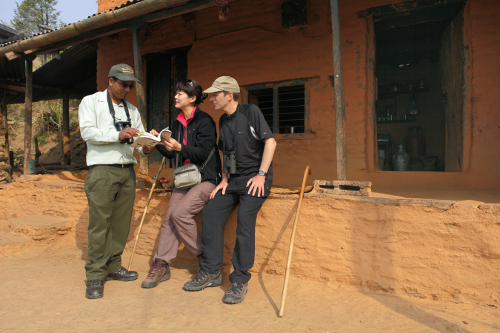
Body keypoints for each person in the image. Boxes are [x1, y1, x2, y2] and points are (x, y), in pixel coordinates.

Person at [184, 76, 277, 304]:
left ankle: (239, 280)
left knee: (245, 222)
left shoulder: (250, 111)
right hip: (233, 181)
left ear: (230, 95)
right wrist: (224, 179)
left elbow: (270, 142)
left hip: (255, 179)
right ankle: (212, 271)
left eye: (216, 94)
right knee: (210, 213)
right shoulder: (223, 121)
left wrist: (261, 175)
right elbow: (226, 153)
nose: (211, 98)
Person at [79, 64, 154, 299]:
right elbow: (87, 132)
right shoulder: (91, 102)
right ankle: (95, 275)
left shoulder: (132, 109)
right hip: (102, 169)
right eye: (124, 84)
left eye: (131, 85)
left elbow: (137, 140)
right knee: (100, 223)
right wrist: (117, 135)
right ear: (111, 81)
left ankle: (113, 266)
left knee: (121, 223)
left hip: (126, 171)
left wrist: (147, 147)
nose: (128, 89)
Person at [140, 80, 221, 289]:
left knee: (179, 214)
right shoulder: (177, 122)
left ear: (193, 98)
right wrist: (157, 141)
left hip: (205, 179)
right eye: (175, 92)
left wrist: (180, 146)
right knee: (169, 219)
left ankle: (206, 259)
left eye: (180, 93)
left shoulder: (205, 121)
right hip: (184, 178)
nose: (176, 96)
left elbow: (202, 152)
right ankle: (162, 265)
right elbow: (172, 153)